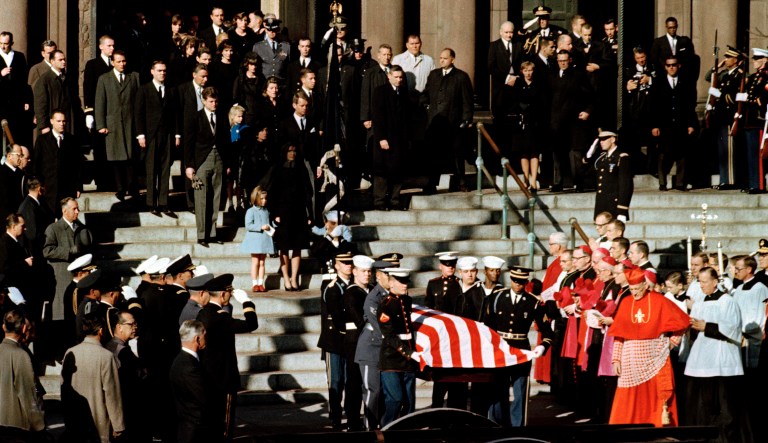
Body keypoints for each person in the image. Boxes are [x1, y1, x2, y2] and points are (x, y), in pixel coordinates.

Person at [607, 267, 690, 426]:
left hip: (655, 357)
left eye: (637, 289)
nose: (634, 293)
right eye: (631, 289)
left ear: (645, 285)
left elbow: (683, 322)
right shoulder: (626, 302)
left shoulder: (659, 300)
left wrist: (673, 342)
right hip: (630, 358)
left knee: (654, 397)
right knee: (628, 398)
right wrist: (616, 359)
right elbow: (619, 334)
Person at [684, 267, 752, 441]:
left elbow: (733, 328)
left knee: (725, 404)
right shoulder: (699, 302)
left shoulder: (727, 301)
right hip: (701, 360)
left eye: (705, 281)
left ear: (715, 282)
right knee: (703, 404)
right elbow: (694, 329)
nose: (701, 285)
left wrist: (707, 326)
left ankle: (724, 438)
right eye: (699, 281)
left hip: (722, 361)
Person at [480, 266, 551, 427]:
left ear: (526, 282)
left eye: (521, 281)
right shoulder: (497, 297)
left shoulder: (533, 302)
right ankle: (497, 424)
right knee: (498, 389)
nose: (518, 284)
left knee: (520, 390)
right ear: (510, 279)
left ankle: (518, 427)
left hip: (521, 351)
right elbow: (487, 325)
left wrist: (543, 346)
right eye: (515, 280)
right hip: (501, 348)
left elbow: (547, 330)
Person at [196, 275, 259, 441]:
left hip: (208, 375)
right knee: (224, 424)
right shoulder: (220, 317)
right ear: (223, 294)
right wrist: (247, 302)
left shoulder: (203, 313)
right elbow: (251, 324)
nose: (230, 295)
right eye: (229, 292)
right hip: (223, 378)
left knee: (211, 421)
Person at [60, 313, 125, 443]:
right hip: (99, 422)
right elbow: (112, 394)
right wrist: (118, 425)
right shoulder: (106, 356)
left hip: (75, 420)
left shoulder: (70, 352)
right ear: (101, 331)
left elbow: (64, 388)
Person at [259, 143, 313, 291]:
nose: (292, 154)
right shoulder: (277, 168)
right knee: (284, 247)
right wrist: (274, 213)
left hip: (299, 212)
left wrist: (310, 213)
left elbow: (307, 192)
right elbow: (272, 192)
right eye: (289, 151)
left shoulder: (301, 168)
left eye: (294, 151)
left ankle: (294, 278)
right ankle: (286, 278)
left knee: (297, 247)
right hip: (282, 212)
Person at [356, 257, 399, 430]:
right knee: (372, 391)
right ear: (379, 276)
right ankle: (369, 428)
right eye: (388, 275)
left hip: (385, 349)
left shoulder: (392, 295)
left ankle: (383, 427)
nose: (392, 278)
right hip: (371, 349)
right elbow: (381, 327)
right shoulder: (373, 298)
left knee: (386, 393)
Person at [184, 87, 230, 247]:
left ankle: (212, 233)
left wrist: (227, 163)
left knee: (216, 198)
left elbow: (227, 141)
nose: (214, 104)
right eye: (211, 101)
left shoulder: (222, 117)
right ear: (203, 101)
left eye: (216, 101)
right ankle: (202, 234)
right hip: (202, 160)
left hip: (219, 159)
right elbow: (188, 143)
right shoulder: (195, 117)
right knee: (201, 197)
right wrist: (189, 165)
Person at [422, 48, 474, 192]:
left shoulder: (461, 77)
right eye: (440, 58)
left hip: (454, 123)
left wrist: (466, 119)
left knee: (457, 153)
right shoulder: (434, 75)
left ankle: (461, 182)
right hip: (435, 122)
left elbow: (467, 100)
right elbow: (426, 93)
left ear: (452, 59)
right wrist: (425, 105)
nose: (442, 61)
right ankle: (432, 184)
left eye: (445, 58)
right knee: (434, 154)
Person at [94, 49, 140, 201]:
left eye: (124, 61)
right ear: (112, 62)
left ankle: (132, 186)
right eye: (118, 61)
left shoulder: (134, 77)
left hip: (130, 122)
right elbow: (100, 103)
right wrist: (101, 124)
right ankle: (120, 188)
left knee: (130, 157)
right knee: (115, 157)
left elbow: (138, 101)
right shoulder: (104, 79)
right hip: (112, 123)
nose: (122, 64)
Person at [135, 60, 178, 216]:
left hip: (167, 135)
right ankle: (151, 203)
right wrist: (141, 135)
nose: (162, 73)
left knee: (165, 169)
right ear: (152, 72)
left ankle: (164, 203)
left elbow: (175, 114)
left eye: (164, 70)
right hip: (150, 135)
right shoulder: (144, 89)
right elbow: (138, 113)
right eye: (159, 70)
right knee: (151, 169)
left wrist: (177, 134)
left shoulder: (171, 90)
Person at [317, 252, 353, 430]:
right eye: (344, 262)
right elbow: (335, 314)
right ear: (336, 265)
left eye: (350, 262)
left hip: (351, 341)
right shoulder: (331, 286)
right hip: (334, 341)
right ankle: (336, 416)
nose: (348, 265)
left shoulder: (354, 285)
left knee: (350, 381)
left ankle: (351, 414)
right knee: (336, 381)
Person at [650, 55, 698, 191]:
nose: (671, 67)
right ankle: (662, 182)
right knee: (663, 154)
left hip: (681, 124)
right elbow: (653, 105)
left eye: (674, 65)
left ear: (679, 66)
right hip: (664, 124)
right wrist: (654, 125)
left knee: (681, 154)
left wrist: (691, 124)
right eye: (669, 65)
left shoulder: (687, 82)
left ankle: (680, 183)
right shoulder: (658, 82)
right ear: (665, 67)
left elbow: (691, 105)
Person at [378, 267, 418, 426]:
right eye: (401, 282)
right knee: (395, 399)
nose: (405, 285)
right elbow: (389, 336)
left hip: (408, 360)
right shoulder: (385, 305)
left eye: (406, 281)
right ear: (391, 283)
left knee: (409, 401)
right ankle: (387, 428)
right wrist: (409, 353)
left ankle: (406, 431)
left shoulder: (407, 301)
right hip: (392, 358)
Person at [549, 49, 594, 192]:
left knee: (576, 153)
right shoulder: (552, 76)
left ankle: (579, 183)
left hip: (574, 122)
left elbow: (591, 96)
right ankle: (558, 182)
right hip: (557, 122)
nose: (562, 63)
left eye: (565, 60)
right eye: (560, 61)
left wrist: (587, 111)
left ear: (570, 60)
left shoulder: (578, 76)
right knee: (558, 153)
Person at [43, 198, 92, 321]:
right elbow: (47, 251)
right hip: (63, 277)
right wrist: (69, 251)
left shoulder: (81, 228)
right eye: (74, 209)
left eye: (77, 208)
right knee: (63, 313)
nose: (77, 211)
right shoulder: (53, 228)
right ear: (64, 211)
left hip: (79, 278)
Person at [705, 46, 746, 190]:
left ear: (736, 60)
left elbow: (734, 96)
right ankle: (725, 179)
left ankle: (730, 180)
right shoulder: (726, 74)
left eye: (729, 57)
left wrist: (720, 97)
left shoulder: (739, 75)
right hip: (721, 116)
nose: (726, 59)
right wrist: (716, 68)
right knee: (722, 150)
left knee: (729, 150)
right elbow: (709, 78)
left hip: (729, 115)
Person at [105, 310, 149, 443]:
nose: (135, 327)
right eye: (131, 324)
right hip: (128, 407)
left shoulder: (110, 346)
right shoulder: (122, 351)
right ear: (119, 327)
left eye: (135, 324)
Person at [0, 310, 45, 433]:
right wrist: (39, 425)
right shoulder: (21, 355)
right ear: (24, 328)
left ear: (3, 327)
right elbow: (28, 394)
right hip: (16, 426)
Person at [371, 65, 409, 211]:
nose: (399, 80)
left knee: (398, 169)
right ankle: (379, 201)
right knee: (382, 170)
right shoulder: (380, 91)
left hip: (399, 138)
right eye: (396, 77)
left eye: (401, 77)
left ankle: (395, 200)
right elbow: (377, 116)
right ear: (389, 76)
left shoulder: (403, 92)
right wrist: (381, 138)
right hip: (385, 137)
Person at [32, 110, 82, 215]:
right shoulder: (42, 140)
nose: (62, 124)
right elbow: (37, 164)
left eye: (64, 121)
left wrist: (78, 187)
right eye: (58, 121)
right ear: (51, 121)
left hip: (67, 188)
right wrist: (39, 185)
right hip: (48, 188)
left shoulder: (72, 140)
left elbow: (77, 166)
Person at [170, 320, 212, 443]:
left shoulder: (182, 360)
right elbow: (203, 398)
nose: (206, 339)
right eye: (204, 335)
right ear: (197, 339)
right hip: (194, 430)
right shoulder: (188, 367)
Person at [740, 48, 768, 194]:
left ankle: (759, 184)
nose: (753, 61)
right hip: (749, 118)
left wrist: (756, 99)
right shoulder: (753, 77)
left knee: (758, 153)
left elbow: (763, 97)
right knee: (750, 153)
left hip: (758, 119)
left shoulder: (766, 77)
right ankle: (752, 182)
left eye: (756, 59)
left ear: (764, 60)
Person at [33, 50, 80, 138]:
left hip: (66, 123)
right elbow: (40, 105)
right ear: (52, 61)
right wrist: (43, 126)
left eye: (64, 59)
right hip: (51, 125)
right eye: (60, 60)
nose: (64, 62)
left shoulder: (67, 78)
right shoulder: (44, 80)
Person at [593, 130, 633, 221]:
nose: (601, 142)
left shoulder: (621, 157)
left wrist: (622, 210)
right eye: (600, 140)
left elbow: (625, 185)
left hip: (614, 206)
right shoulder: (602, 158)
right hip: (601, 205)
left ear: (613, 139)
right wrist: (589, 155)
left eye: (604, 139)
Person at [0, 31, 31, 147]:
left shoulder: (19, 57)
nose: (3, 46)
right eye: (1, 43)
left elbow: (25, 80)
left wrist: (26, 100)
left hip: (16, 101)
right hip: (1, 101)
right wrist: (0, 74)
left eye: (6, 43)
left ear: (12, 43)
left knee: (16, 130)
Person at [241, 186, 274, 292]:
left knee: (262, 262)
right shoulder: (251, 211)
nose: (264, 201)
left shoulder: (266, 211)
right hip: (255, 240)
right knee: (255, 262)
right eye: (262, 199)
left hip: (264, 239)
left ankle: (261, 283)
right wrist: (261, 227)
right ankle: (254, 283)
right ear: (256, 198)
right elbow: (248, 225)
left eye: (265, 198)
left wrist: (273, 226)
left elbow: (269, 223)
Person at [487, 21, 523, 121]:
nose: (509, 35)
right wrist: (507, 77)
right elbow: (491, 67)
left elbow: (522, 64)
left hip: (515, 85)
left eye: (511, 32)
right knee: (499, 116)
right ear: (501, 32)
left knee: (514, 116)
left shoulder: (518, 45)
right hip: (500, 87)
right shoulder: (494, 46)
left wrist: (517, 77)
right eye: (506, 32)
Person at [650, 17, 698, 82]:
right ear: (666, 27)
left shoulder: (684, 41)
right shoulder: (658, 42)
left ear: (677, 26)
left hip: (681, 77)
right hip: (664, 77)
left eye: (674, 27)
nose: (672, 30)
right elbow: (654, 60)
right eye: (670, 28)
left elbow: (689, 59)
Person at [232, 54, 264, 127]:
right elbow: (235, 96)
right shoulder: (240, 79)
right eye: (251, 65)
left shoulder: (261, 79)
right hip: (245, 113)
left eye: (255, 65)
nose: (254, 67)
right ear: (247, 65)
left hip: (258, 113)